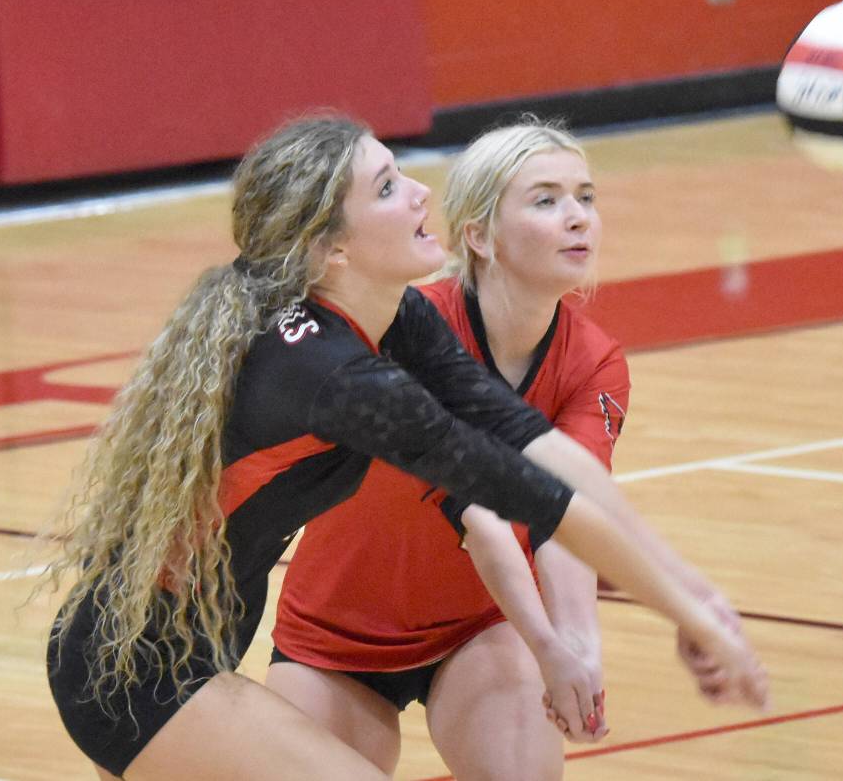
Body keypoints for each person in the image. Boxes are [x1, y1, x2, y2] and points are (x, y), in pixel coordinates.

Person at [43, 115, 767, 781]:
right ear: (331, 249)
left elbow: (530, 441)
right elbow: (521, 490)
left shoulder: (397, 319)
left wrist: (694, 594)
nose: (423, 192)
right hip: (132, 668)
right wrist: (694, 615)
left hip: (202, 638)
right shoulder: (335, 377)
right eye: (388, 187)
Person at [267, 119, 734, 780]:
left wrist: (579, 641)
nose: (577, 218)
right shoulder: (408, 327)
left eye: (585, 197)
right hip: (335, 636)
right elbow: (481, 519)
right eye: (545, 200)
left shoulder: (592, 362)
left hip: (480, 627)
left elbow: (563, 515)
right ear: (479, 236)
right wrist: (551, 643)